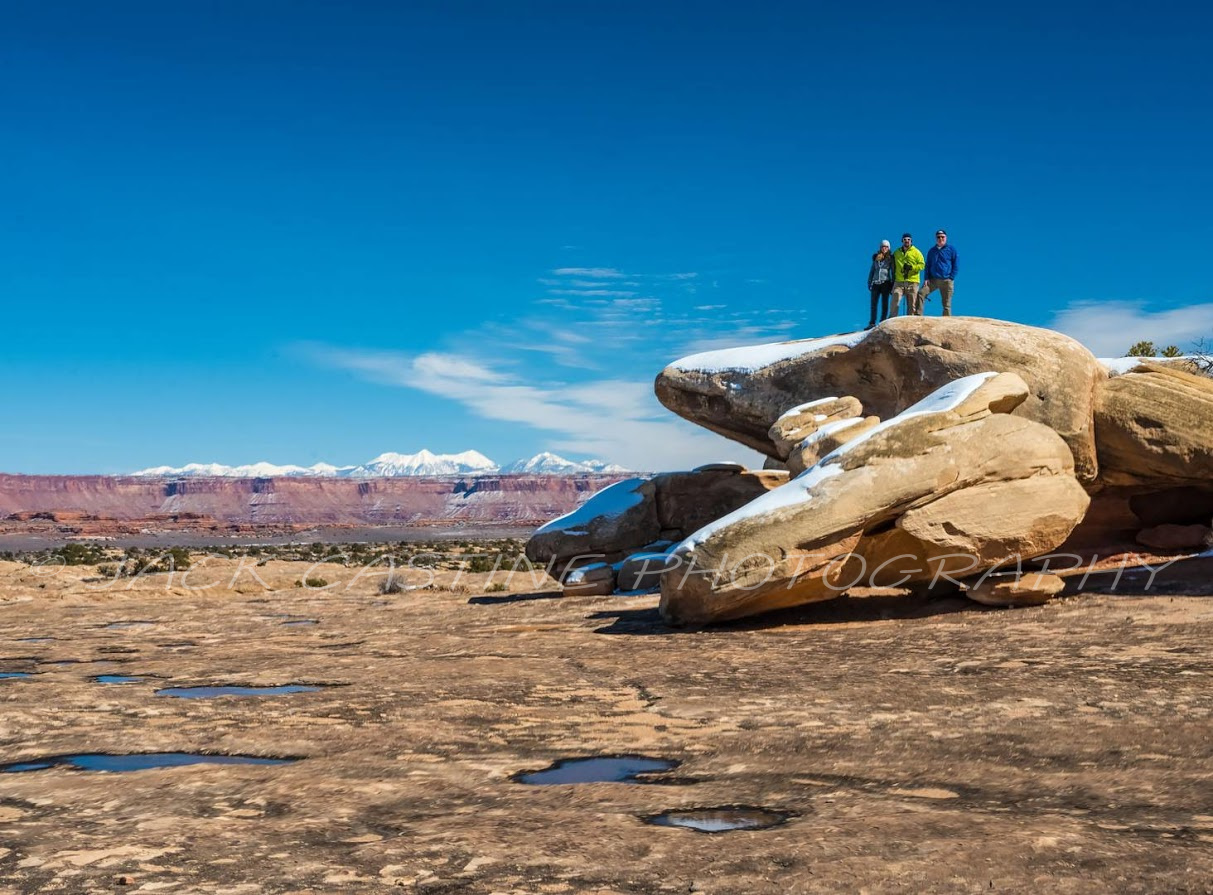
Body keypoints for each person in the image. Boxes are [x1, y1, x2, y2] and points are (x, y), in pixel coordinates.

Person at [921, 229, 958, 316]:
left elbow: (956, 263)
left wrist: (951, 277)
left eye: (942, 237)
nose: (940, 239)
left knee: (946, 304)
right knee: (921, 293)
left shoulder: (951, 249)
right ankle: (918, 316)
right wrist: (926, 278)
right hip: (933, 280)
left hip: (946, 280)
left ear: (946, 238)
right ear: (936, 238)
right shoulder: (932, 251)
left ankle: (946, 322)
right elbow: (928, 265)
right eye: (938, 237)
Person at [891, 233, 925, 316]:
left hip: (912, 281)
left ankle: (910, 323)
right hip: (899, 281)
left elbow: (922, 265)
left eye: (908, 239)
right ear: (902, 241)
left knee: (911, 305)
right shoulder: (896, 252)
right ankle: (892, 319)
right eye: (905, 239)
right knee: (895, 298)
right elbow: (890, 260)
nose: (907, 241)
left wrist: (912, 267)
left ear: (911, 241)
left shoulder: (916, 252)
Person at [866, 239, 895, 327]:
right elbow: (872, 270)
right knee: (873, 303)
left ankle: (883, 321)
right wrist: (869, 281)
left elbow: (893, 272)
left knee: (884, 303)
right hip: (875, 283)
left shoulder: (890, 258)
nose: (884, 248)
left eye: (886, 247)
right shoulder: (876, 258)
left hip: (885, 282)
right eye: (883, 246)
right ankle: (872, 322)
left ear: (888, 248)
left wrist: (893, 284)